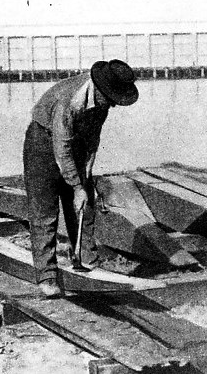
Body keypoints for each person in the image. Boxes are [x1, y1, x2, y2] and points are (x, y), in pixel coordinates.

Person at [22, 59, 139, 298]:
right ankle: (46, 275)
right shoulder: (70, 101)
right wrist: (76, 186)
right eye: (112, 99)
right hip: (42, 144)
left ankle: (85, 261)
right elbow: (61, 148)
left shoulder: (102, 103)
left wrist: (85, 179)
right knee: (45, 212)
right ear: (100, 88)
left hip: (75, 145)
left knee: (86, 205)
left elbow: (92, 141)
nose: (114, 106)